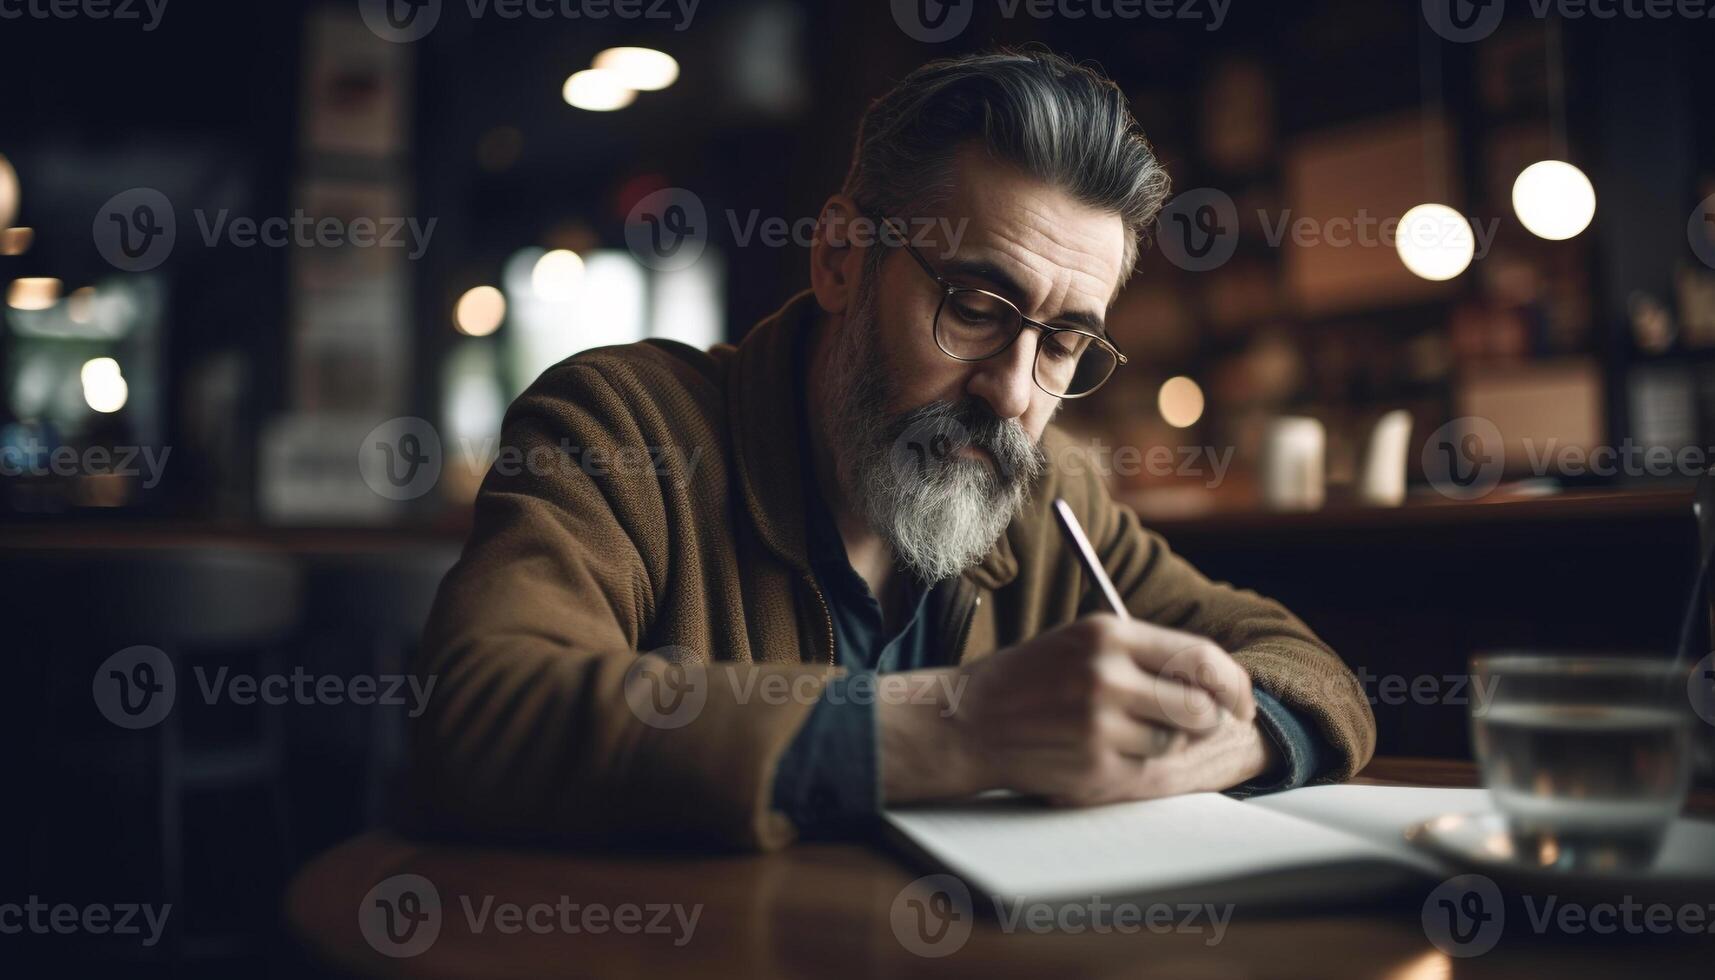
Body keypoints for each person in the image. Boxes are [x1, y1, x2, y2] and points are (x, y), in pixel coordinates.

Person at [407, 48, 1375, 850]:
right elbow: (479, 710)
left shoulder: (1050, 491)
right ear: (839, 257)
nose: (1010, 391)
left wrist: (1230, 739)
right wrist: (966, 723)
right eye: (973, 306)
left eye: (1063, 343)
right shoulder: (618, 430)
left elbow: (1309, 668)